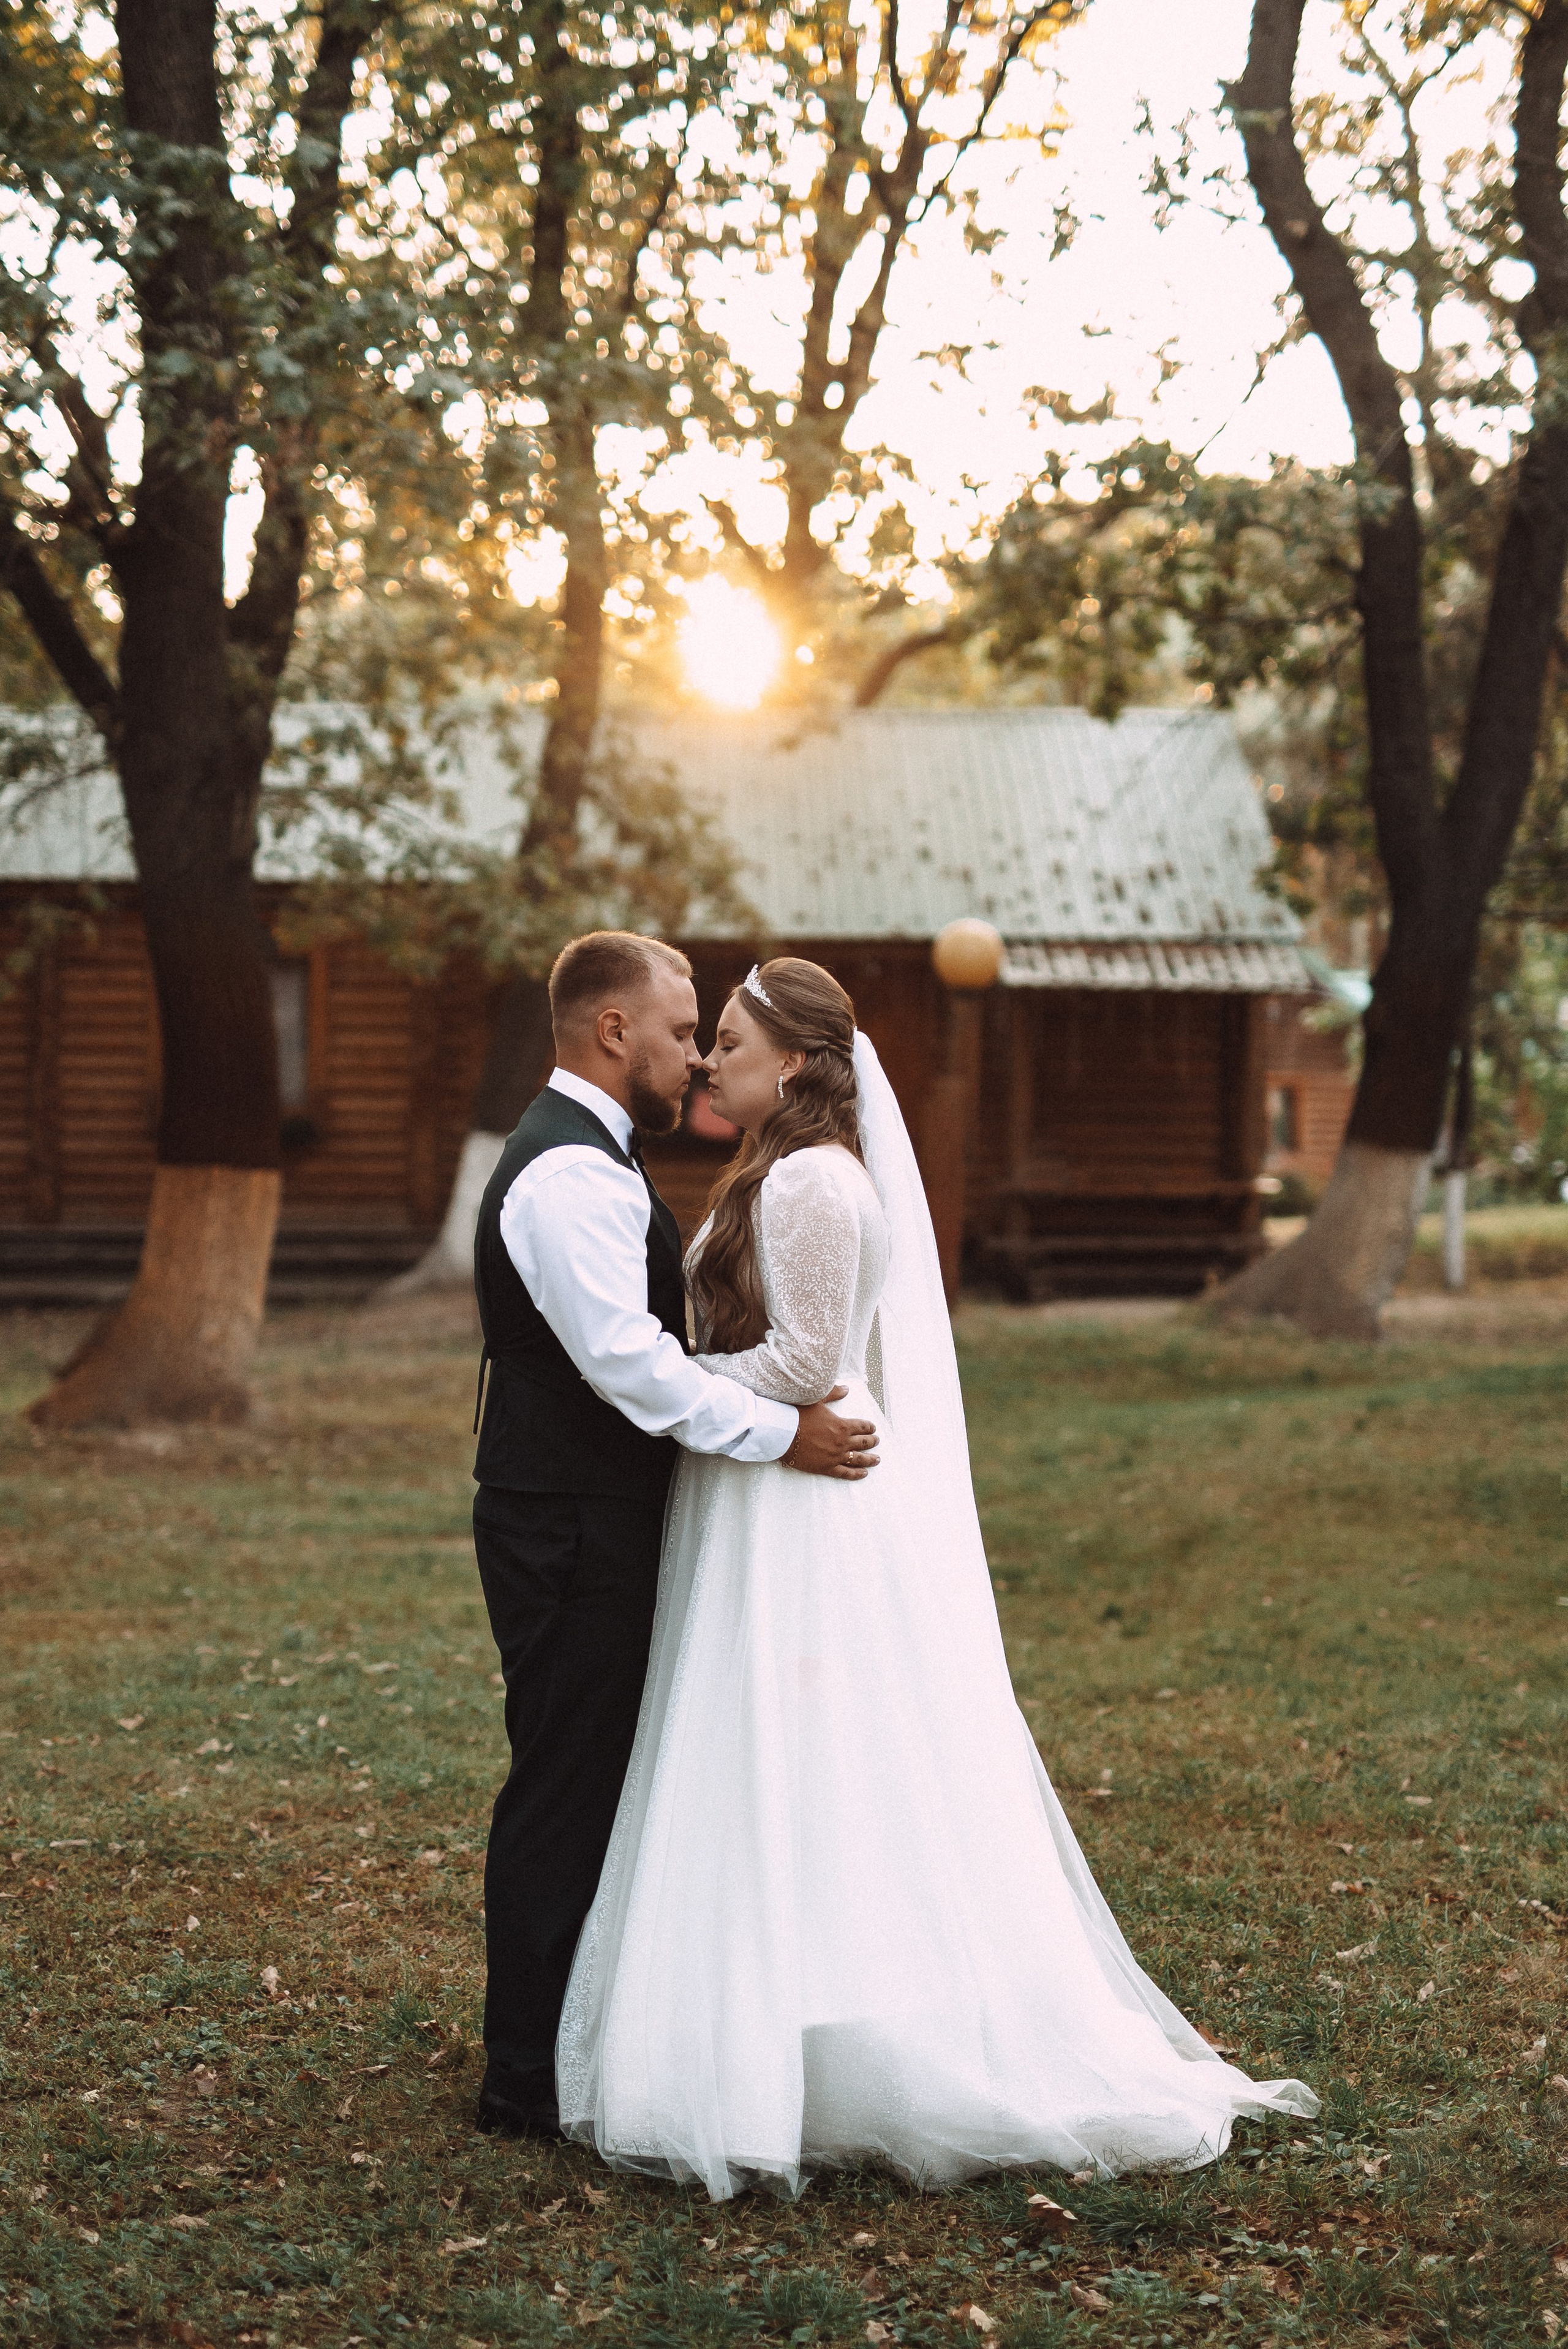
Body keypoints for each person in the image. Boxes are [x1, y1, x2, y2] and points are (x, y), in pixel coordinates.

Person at [557, 956, 1318, 2198]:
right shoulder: (771, 1166)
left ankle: (835, 2040)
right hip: (758, 1486)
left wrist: (666, 1382)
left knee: (798, 1750)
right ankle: (779, 2029)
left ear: (797, 1061)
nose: (707, 1059)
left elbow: (806, 1363)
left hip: (800, 1497)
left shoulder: (810, 1179)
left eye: (733, 1038)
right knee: (767, 1753)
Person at [470, 933, 880, 2142]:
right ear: (612, 1033)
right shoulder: (566, 1178)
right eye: (678, 1028)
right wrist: (775, 1434)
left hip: (587, 1512)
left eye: (714, 1033)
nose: (694, 1054)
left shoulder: (598, 1160)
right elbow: (635, 1375)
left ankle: (578, 2039)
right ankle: (525, 2078)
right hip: (568, 1524)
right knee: (565, 1782)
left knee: (596, 1776)